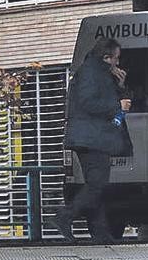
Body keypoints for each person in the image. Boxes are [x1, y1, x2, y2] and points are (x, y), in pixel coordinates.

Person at [52, 37, 133, 243]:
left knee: (95, 184)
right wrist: (117, 106)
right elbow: (89, 102)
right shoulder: (90, 72)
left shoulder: (100, 73)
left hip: (95, 137)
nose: (117, 63)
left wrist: (120, 84)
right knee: (97, 184)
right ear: (106, 57)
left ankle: (101, 233)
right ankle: (65, 215)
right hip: (92, 138)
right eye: (116, 58)